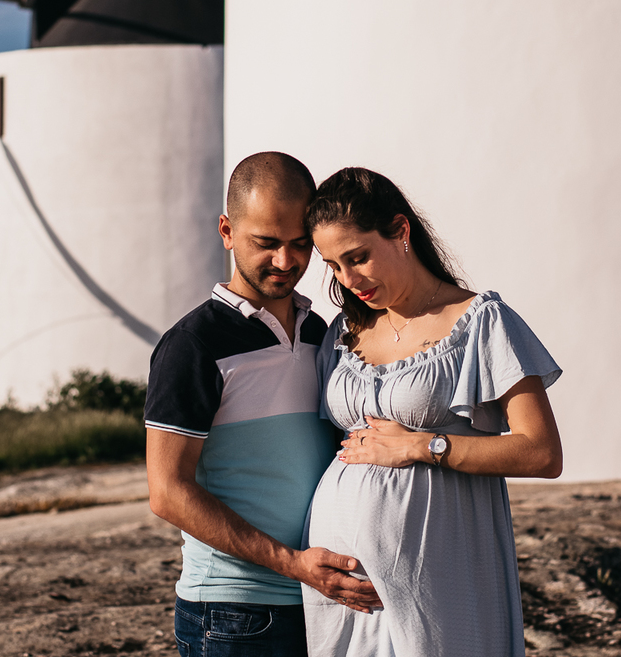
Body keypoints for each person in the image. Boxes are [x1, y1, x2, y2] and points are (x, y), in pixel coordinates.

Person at [301, 166, 564, 657]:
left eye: (358, 257)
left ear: (400, 232)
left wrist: (424, 445)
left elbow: (542, 453)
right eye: (333, 265)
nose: (347, 279)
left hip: (439, 573)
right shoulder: (342, 332)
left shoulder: (481, 321)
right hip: (345, 591)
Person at [145, 152, 381, 657]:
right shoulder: (192, 346)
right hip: (232, 612)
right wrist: (294, 564)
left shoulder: (323, 333)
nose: (285, 261)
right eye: (266, 243)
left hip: (321, 599)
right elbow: (167, 492)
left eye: (300, 245)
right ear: (227, 232)